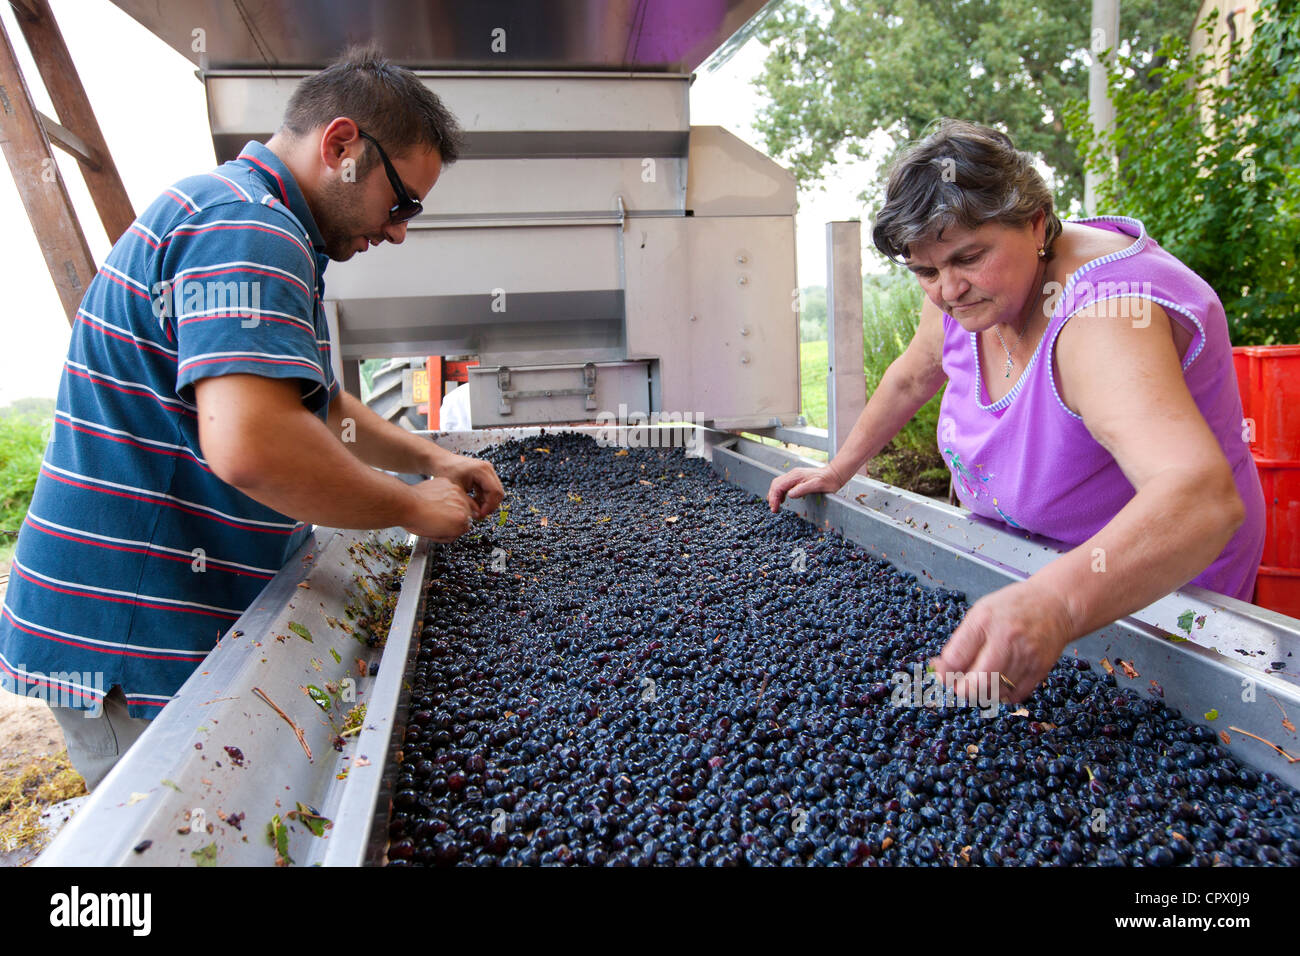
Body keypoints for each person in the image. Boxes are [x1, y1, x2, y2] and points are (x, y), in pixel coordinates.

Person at [0, 47, 504, 789]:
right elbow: (252, 448)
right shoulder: (246, 228)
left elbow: (313, 404)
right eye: (402, 203)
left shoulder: (253, 219)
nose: (399, 232)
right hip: (135, 633)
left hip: (155, 610)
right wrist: (408, 508)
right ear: (342, 148)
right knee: (184, 826)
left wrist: (432, 460)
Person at [767, 118, 1264, 705]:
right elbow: (914, 374)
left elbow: (1199, 498)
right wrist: (838, 468)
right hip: (1025, 576)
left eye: (967, 259)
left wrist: (1055, 602)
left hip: (1152, 593)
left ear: (1035, 223)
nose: (948, 290)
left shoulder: (1102, 318)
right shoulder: (965, 290)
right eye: (926, 271)